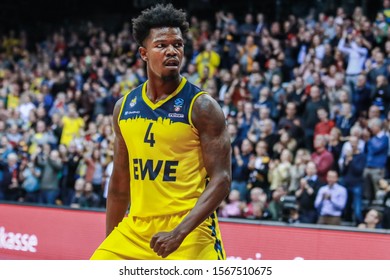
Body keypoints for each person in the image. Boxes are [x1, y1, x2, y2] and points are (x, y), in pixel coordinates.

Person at [90, 4, 231, 260]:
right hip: (136, 230)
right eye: (161, 45)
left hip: (190, 231)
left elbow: (222, 179)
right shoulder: (124, 107)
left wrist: (179, 232)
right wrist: (112, 241)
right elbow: (120, 183)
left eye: (177, 44)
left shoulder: (202, 106)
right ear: (144, 53)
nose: (171, 51)